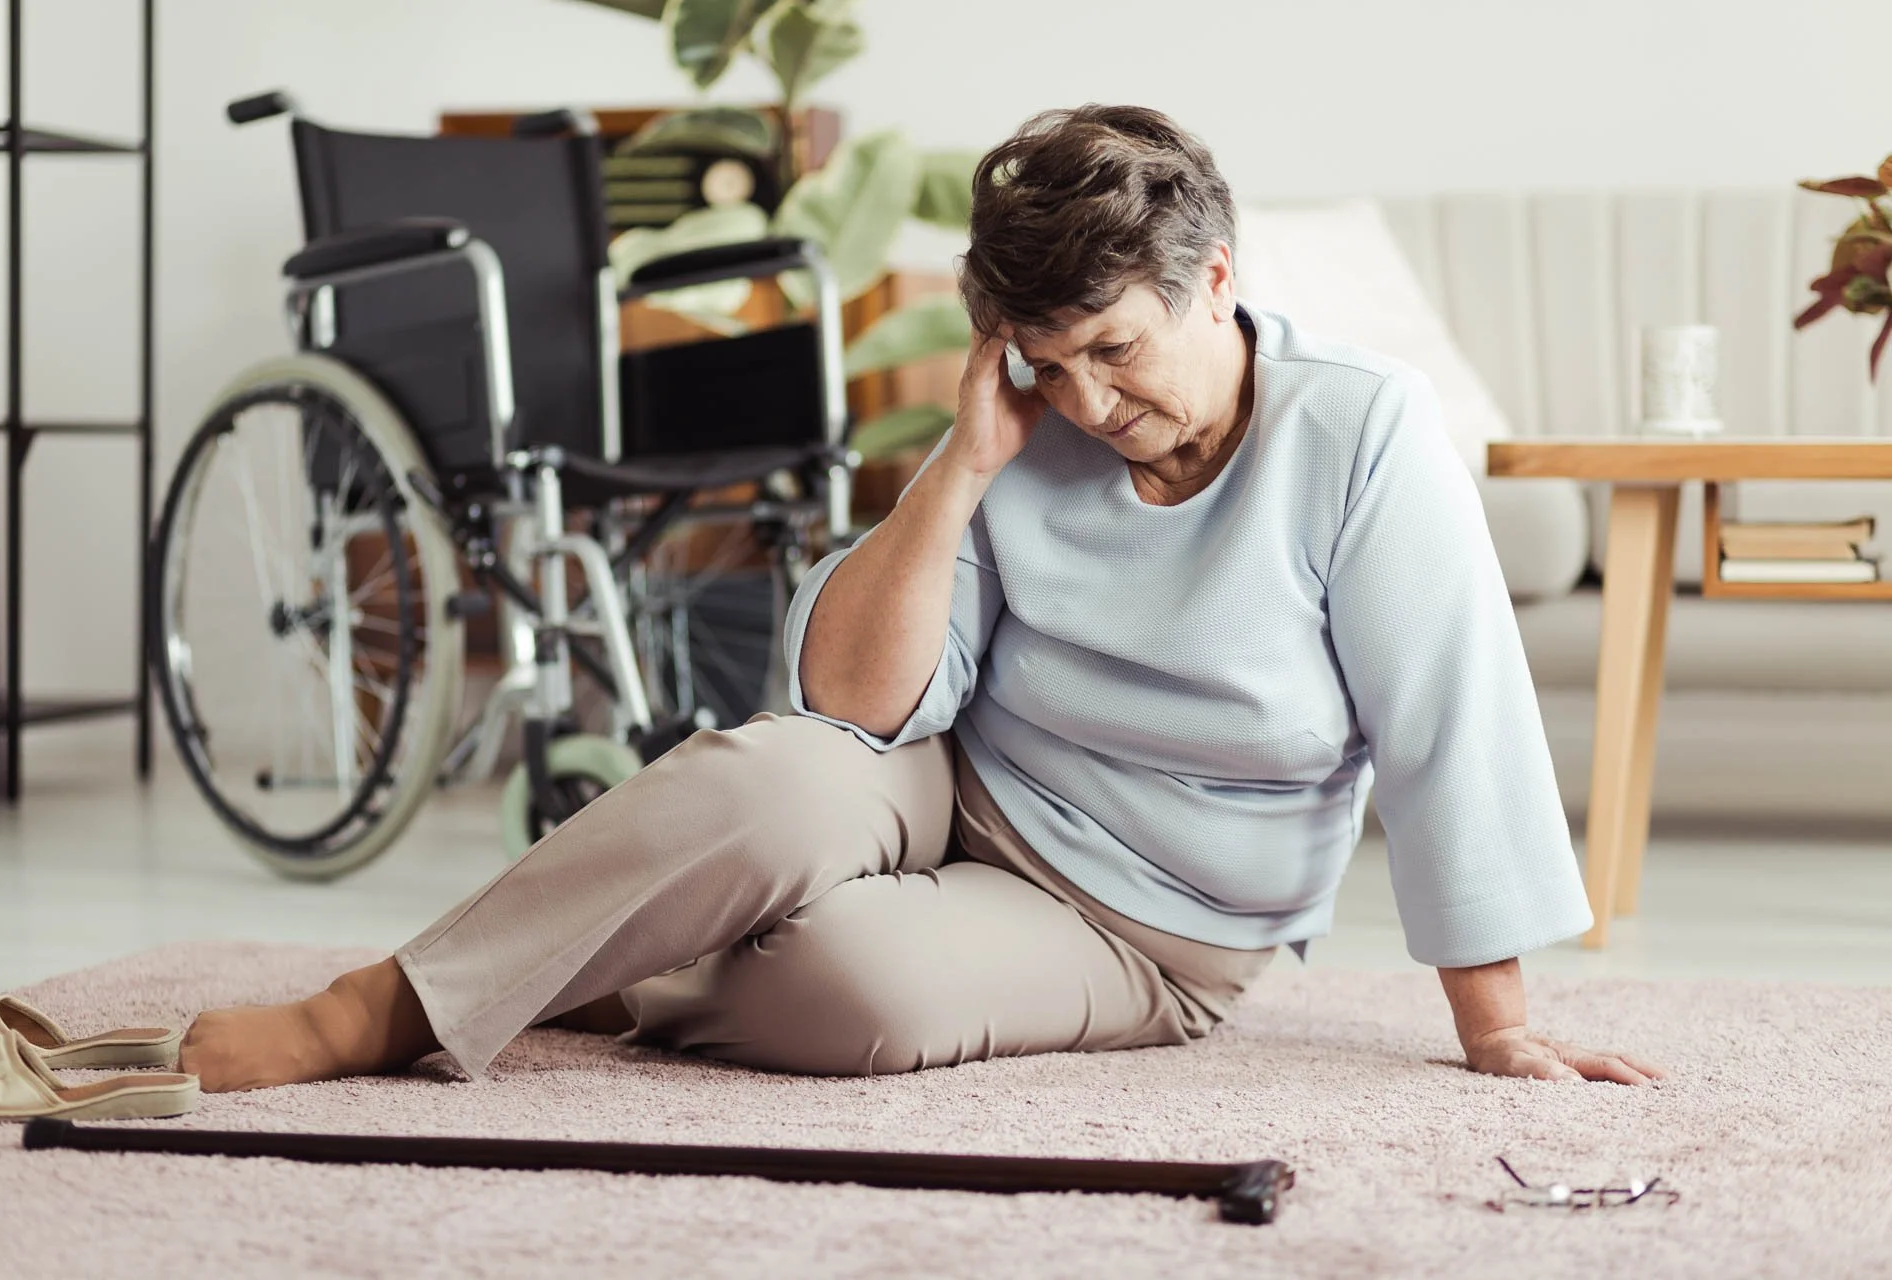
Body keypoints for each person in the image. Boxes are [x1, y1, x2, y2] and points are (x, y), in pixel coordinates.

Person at [179, 104, 1666, 1093]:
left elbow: (1450, 727)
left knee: (851, 994)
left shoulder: (1362, 432)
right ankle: (372, 1009)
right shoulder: (1022, 424)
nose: (1086, 400)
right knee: (767, 782)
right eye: (1045, 358)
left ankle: (605, 963)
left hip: (1156, 926)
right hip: (956, 781)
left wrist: (1502, 1026)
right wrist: (961, 468)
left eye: (1116, 349)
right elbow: (853, 710)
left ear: (1215, 278)